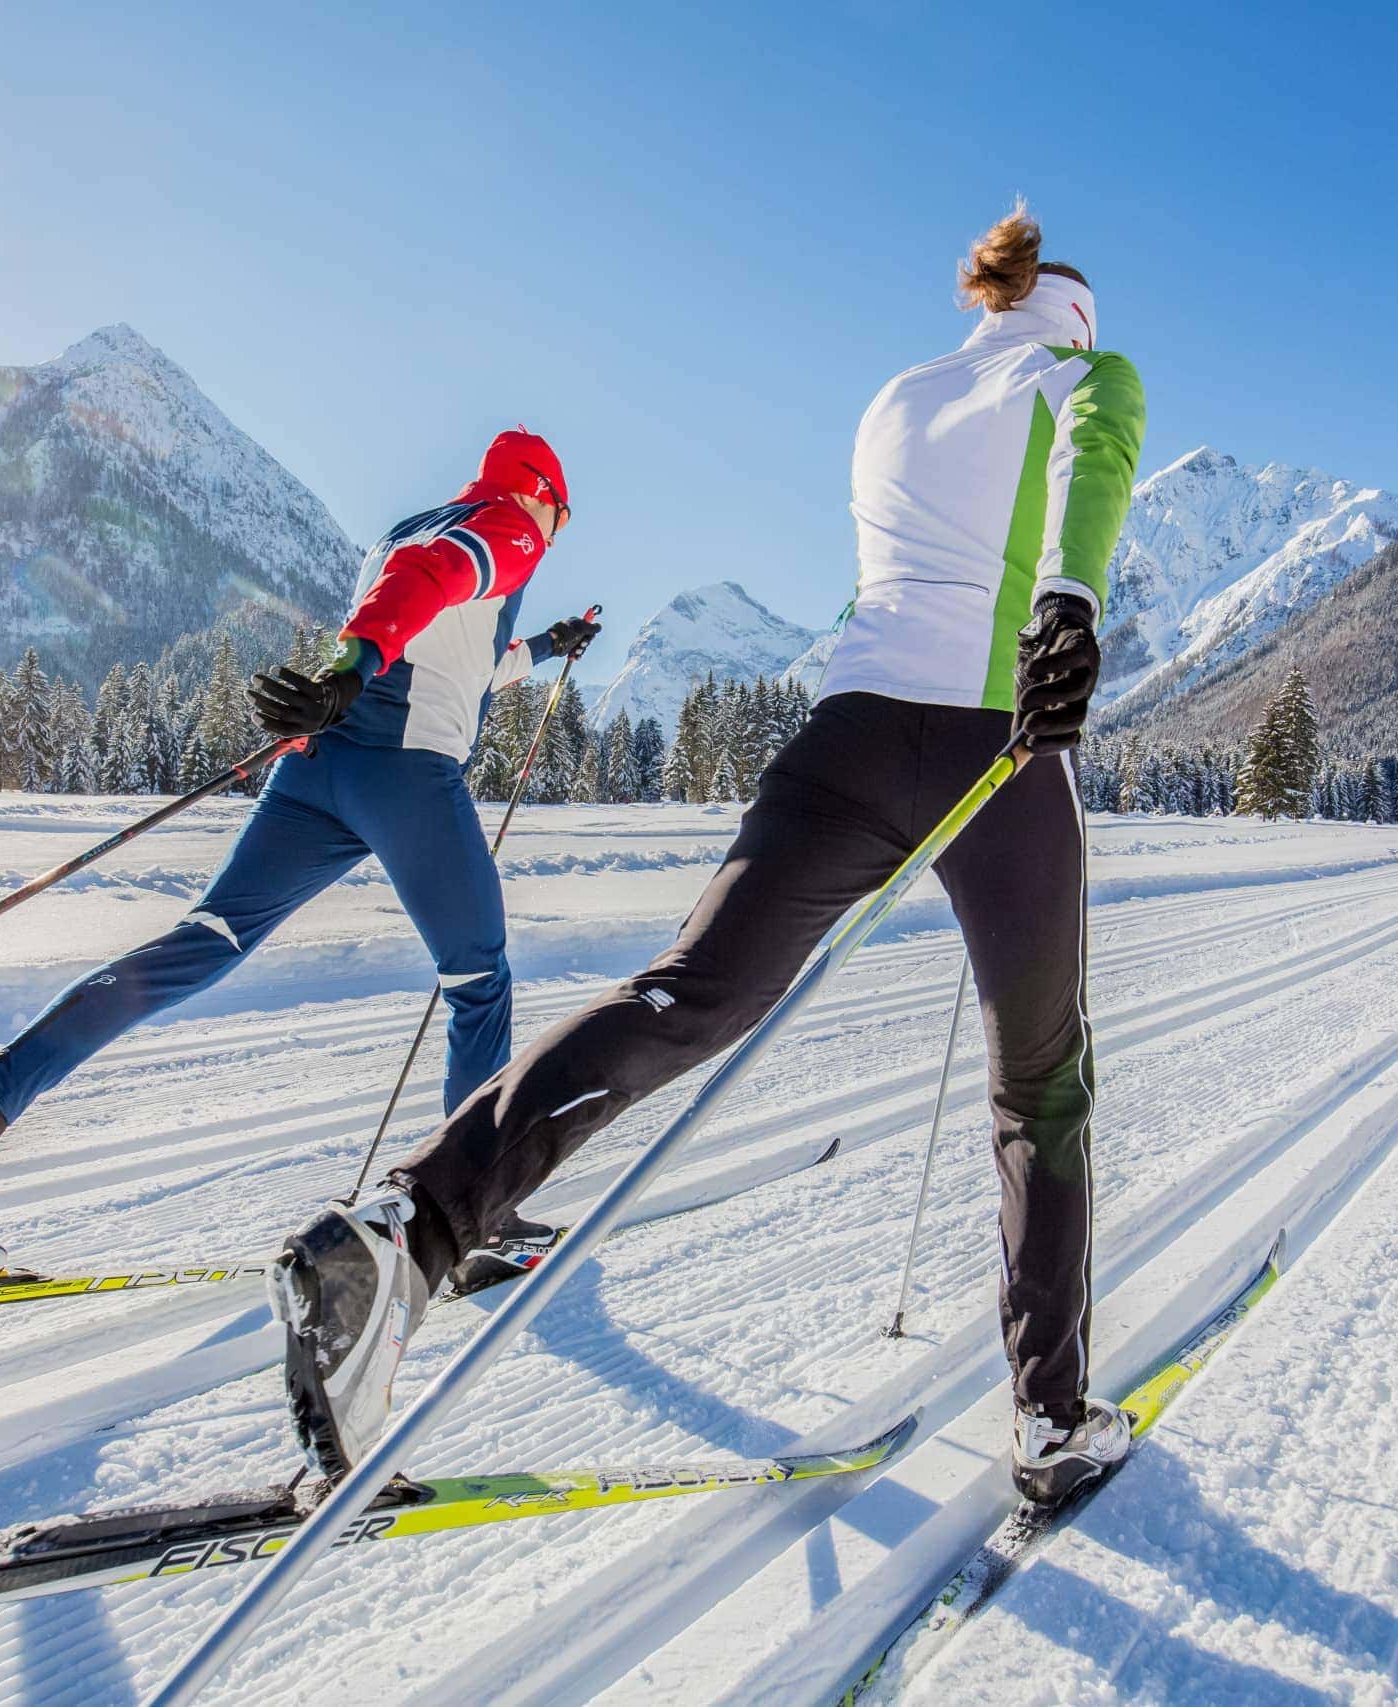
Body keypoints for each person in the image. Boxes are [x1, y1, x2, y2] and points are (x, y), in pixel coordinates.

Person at [271, 206, 1147, 1507]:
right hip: (1001, 746)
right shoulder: (1089, 371)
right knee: (1040, 1084)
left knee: (686, 993)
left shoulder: (899, 397)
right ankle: (1052, 1416)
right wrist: (1069, 606)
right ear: (1073, 313)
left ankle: (411, 1225)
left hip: (848, 736)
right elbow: (1099, 462)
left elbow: (902, 572)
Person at [0, 429, 599, 1284]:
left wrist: (547, 645)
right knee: (480, 979)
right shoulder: (506, 524)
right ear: (538, 488)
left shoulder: (413, 523)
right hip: (404, 773)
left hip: (317, 769)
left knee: (201, 943)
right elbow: (430, 577)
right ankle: (475, 1214)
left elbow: (457, 649)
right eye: (562, 512)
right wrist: (355, 661)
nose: (556, 529)